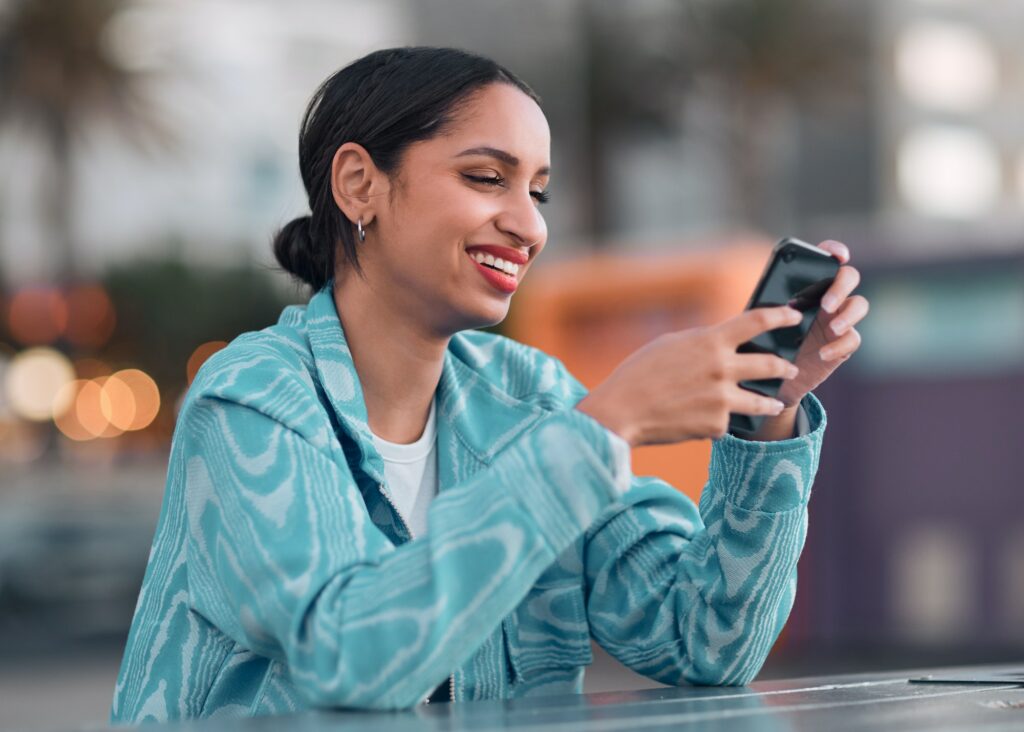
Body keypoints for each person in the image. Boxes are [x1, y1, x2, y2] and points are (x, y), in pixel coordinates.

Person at [111, 46, 868, 722]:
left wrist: (771, 409)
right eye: (486, 178)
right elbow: (350, 657)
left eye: (537, 193)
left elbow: (704, 641)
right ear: (358, 184)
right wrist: (605, 430)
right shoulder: (249, 399)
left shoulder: (532, 397)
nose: (529, 226)